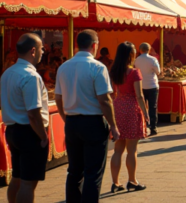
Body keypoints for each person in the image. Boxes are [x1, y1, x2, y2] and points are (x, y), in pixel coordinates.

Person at [55, 29, 119, 202]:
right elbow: (104, 99)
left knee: (74, 170)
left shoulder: (64, 66)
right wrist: (113, 125)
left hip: (72, 122)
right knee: (93, 173)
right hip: (93, 122)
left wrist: (65, 118)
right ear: (94, 45)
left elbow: (58, 98)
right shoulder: (97, 67)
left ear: (77, 44)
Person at [1, 34, 49, 203]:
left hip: (13, 130)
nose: (44, 52)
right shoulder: (30, 76)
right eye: (42, 48)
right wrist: (43, 136)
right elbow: (33, 114)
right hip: (29, 131)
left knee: (18, 177)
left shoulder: (7, 73)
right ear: (33, 51)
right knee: (28, 183)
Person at [108, 42, 149, 193]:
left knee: (117, 150)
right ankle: (132, 181)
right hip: (132, 108)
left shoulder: (114, 71)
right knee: (132, 150)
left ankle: (115, 183)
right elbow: (139, 95)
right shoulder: (134, 73)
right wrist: (145, 113)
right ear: (131, 55)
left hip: (118, 107)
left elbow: (112, 93)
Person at [134, 43, 161, 136]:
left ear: (140, 50)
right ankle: (153, 127)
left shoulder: (136, 60)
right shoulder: (153, 60)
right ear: (149, 50)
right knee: (153, 107)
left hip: (141, 85)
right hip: (152, 85)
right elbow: (158, 71)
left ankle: (142, 126)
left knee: (141, 107)